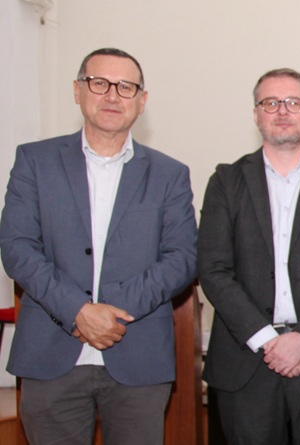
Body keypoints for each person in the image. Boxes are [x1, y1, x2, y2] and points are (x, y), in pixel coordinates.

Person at [0, 48, 197, 444]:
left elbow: (182, 258)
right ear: (77, 90)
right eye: (99, 83)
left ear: (142, 101)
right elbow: (17, 247)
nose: (112, 95)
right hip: (50, 357)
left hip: (138, 359)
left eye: (126, 87)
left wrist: (110, 311)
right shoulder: (35, 161)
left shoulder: (169, 175)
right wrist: (79, 310)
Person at [198, 68, 300, 444]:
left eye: (293, 102)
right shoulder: (226, 182)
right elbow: (214, 270)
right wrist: (268, 341)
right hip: (247, 362)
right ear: (256, 114)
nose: (282, 110)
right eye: (270, 102)